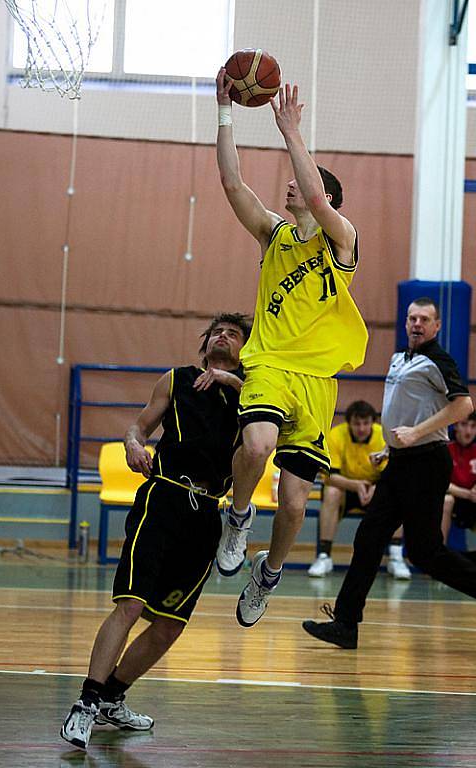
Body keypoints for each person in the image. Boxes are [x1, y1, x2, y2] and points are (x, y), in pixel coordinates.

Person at [215, 74, 368, 628]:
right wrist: (224, 113)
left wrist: (291, 132)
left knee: (298, 503)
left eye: (301, 181)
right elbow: (233, 184)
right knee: (255, 448)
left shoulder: (342, 241)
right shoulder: (273, 236)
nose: (290, 186)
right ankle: (237, 517)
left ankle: (269, 574)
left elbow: (319, 197)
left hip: (318, 382)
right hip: (271, 367)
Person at [60, 312, 251, 750]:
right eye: (216, 332)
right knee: (130, 604)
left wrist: (231, 382)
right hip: (163, 498)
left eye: (233, 334)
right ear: (205, 344)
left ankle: (112, 697)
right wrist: (131, 441)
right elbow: (139, 425)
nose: (222, 337)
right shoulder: (176, 379)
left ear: (245, 349)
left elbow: (274, 432)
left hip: (207, 513)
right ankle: (86, 703)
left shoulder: (251, 393)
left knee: (169, 625)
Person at [303, 297, 475, 649]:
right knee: (367, 539)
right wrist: (392, 446)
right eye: (412, 318)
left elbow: (464, 405)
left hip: (427, 463)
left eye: (424, 319)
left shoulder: (438, 361)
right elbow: (403, 410)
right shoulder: (399, 358)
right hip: (399, 462)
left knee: (424, 553)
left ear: (437, 326)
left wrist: (416, 433)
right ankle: (346, 624)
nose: (416, 324)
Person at [308, 400, 411, 579]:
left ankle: (396, 557)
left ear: (373, 422)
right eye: (357, 423)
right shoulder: (336, 435)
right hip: (347, 487)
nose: (361, 428)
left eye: (366, 423)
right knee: (331, 492)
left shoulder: (384, 436)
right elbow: (329, 476)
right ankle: (324, 556)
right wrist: (356, 485)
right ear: (349, 423)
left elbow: (396, 474)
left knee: (398, 491)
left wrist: (377, 487)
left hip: (377, 489)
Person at [441, 413, 476, 542]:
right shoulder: (444, 449)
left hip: (472, 499)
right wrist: (466, 494)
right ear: (455, 426)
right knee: (446, 500)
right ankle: (439, 553)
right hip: (453, 496)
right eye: (464, 425)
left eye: (473, 426)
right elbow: (440, 482)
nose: (469, 431)